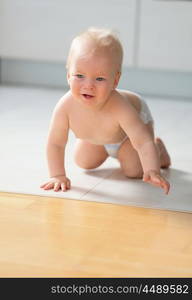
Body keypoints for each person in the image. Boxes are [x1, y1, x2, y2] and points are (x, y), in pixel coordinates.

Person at [40, 27, 171, 194]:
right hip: (101, 136)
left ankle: (159, 150)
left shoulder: (120, 106)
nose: (88, 85)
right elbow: (55, 143)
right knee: (83, 161)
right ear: (68, 75)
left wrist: (152, 169)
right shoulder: (65, 106)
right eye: (79, 76)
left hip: (131, 132)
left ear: (115, 81)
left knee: (135, 170)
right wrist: (57, 175)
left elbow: (142, 141)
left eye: (100, 78)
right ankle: (105, 147)